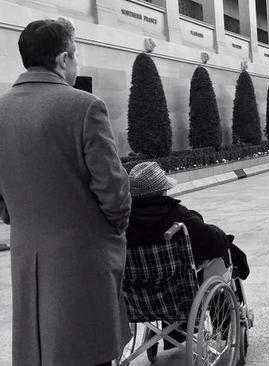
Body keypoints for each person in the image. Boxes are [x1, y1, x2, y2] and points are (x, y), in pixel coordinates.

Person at [0, 18, 132, 366]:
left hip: (27, 256)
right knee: (89, 352)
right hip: (84, 259)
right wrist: (113, 227)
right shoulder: (85, 107)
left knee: (40, 353)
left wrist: (19, 216)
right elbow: (114, 192)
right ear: (62, 59)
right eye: (76, 56)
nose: (78, 64)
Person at [126, 161, 248, 350]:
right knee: (226, 252)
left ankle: (167, 331)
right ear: (163, 190)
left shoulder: (121, 220)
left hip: (137, 299)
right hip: (178, 297)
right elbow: (213, 242)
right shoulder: (177, 218)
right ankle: (225, 321)